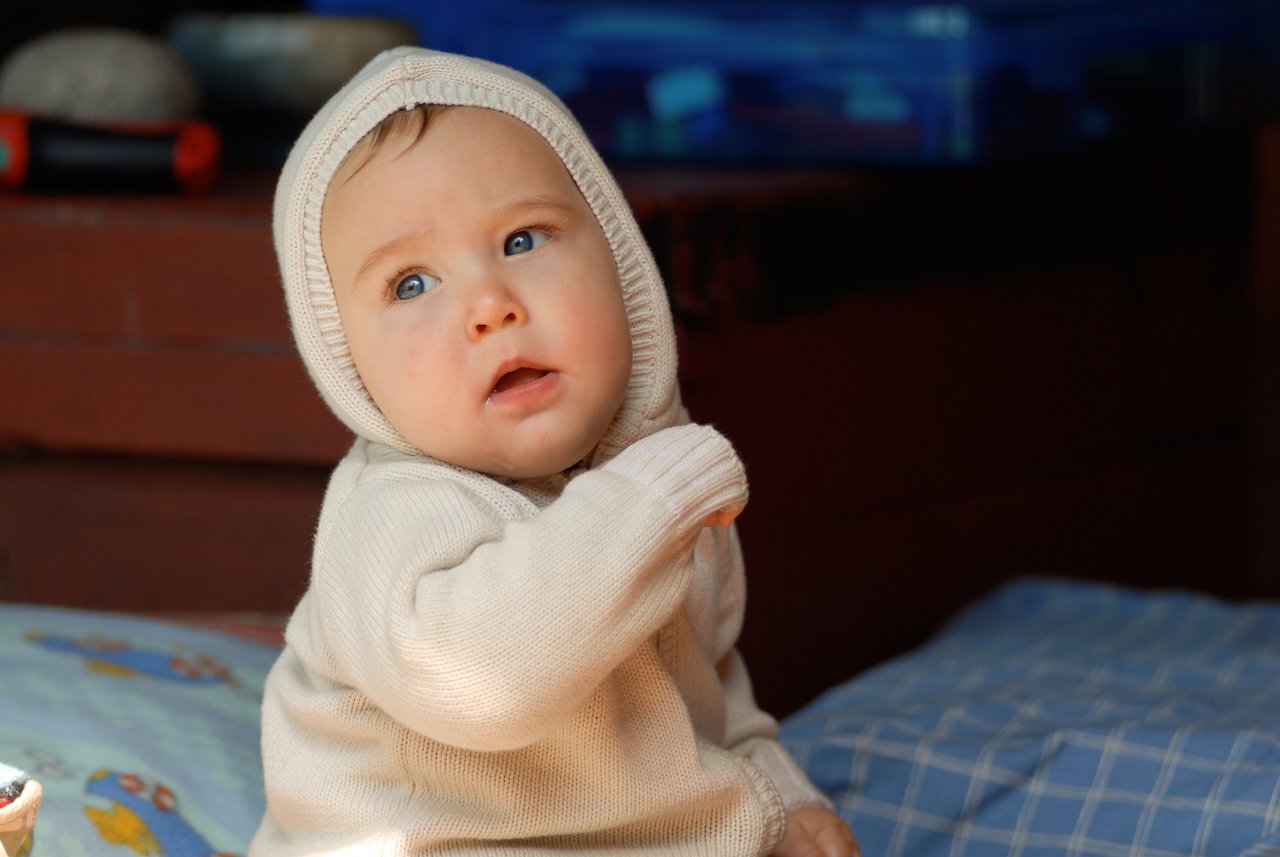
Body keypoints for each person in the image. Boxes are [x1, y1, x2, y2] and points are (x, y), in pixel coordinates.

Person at [252, 46, 860, 857]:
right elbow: (486, 679)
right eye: (410, 284)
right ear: (346, 362)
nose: (491, 306)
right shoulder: (393, 514)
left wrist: (779, 794)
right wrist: (647, 503)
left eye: (522, 239)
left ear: (619, 261)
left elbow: (707, 689)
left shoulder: (646, 476)